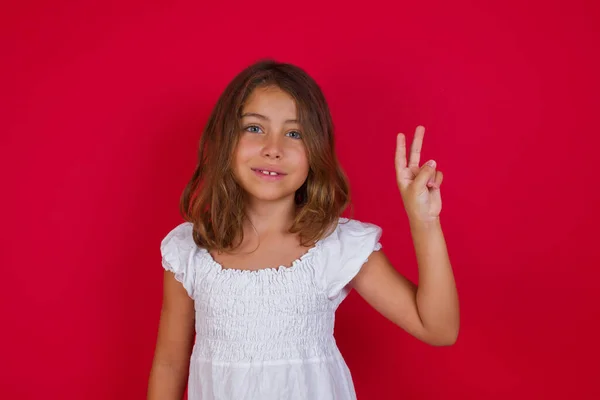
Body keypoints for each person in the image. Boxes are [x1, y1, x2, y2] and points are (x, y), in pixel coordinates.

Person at [147, 59, 459, 400]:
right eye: (254, 127)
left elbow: (439, 329)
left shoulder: (334, 246)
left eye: (294, 133)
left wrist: (424, 221)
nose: (273, 148)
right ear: (225, 140)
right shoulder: (190, 251)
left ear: (315, 152)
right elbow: (169, 365)